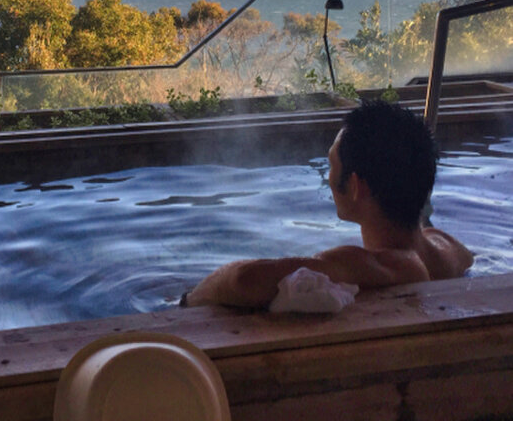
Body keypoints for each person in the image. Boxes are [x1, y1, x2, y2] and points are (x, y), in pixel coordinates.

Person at [183, 101, 474, 308]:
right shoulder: (450, 249)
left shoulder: (385, 265)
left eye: (331, 165)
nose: (328, 178)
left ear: (356, 187)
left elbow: (244, 280)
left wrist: (190, 298)